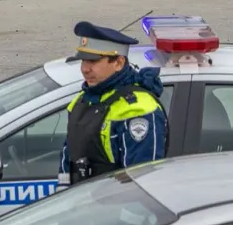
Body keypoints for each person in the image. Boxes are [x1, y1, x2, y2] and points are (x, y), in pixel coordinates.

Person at [59, 22, 168, 184]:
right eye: (83, 61)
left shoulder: (138, 110)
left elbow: (141, 181)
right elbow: (68, 159)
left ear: (118, 63)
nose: (85, 69)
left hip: (116, 206)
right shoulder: (81, 101)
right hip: (82, 202)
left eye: (92, 61)